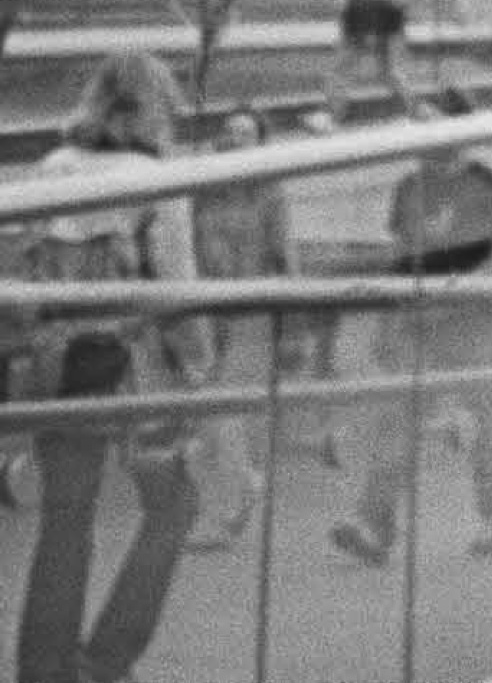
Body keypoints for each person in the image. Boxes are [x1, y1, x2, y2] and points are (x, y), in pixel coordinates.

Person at [6, 51, 207, 683]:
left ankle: (44, 665)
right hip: (132, 365)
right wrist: (199, 369)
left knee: (68, 516)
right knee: (174, 504)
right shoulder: (154, 180)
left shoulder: (51, 170)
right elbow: (177, 292)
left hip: (52, 364)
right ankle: (109, 657)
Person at [331, 89, 492, 567]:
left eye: (429, 123)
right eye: (415, 124)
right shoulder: (409, 188)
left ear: (457, 128)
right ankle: (374, 528)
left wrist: (462, 289)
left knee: (491, 429)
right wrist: (391, 317)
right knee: (396, 426)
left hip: (479, 331)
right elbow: (402, 254)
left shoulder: (489, 186)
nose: (418, 135)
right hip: (422, 331)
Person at [183, 106, 291, 551]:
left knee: (220, 409)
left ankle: (230, 502)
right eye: (229, 131)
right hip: (210, 310)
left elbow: (283, 257)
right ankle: (232, 494)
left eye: (246, 132)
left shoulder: (271, 194)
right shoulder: (204, 192)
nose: (235, 139)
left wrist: (293, 322)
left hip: (253, 312)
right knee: (210, 417)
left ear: (260, 143)